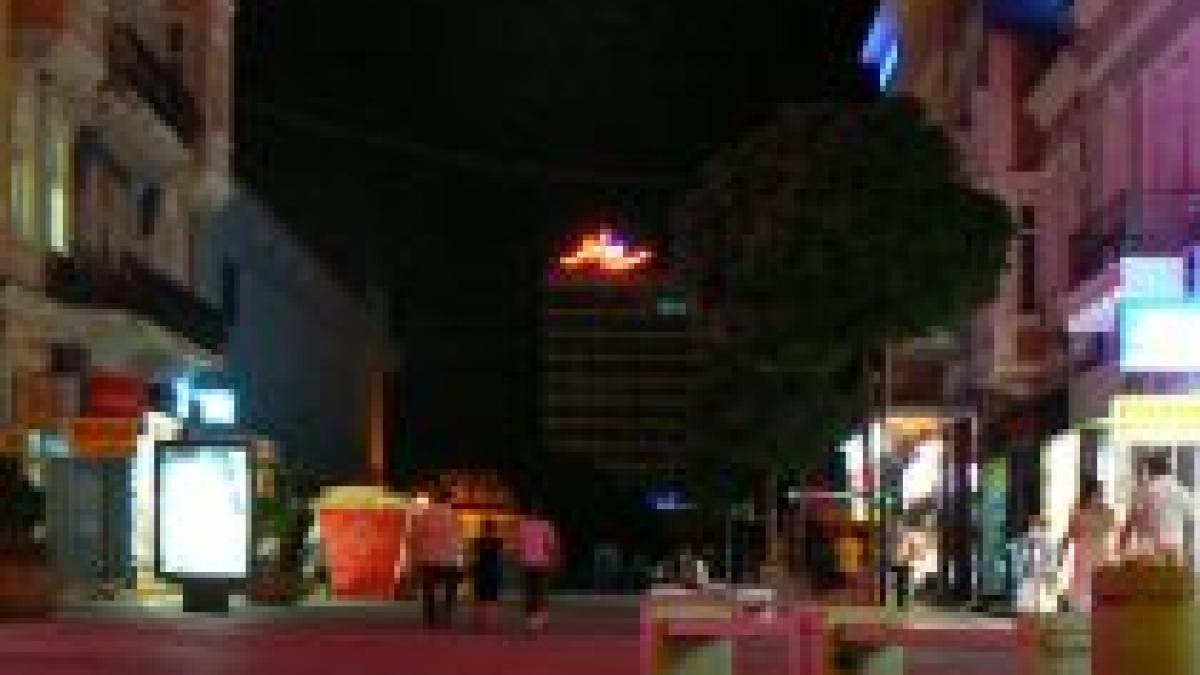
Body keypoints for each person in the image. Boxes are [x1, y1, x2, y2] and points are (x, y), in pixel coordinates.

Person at [1120, 454, 1197, 564]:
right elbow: (1191, 513)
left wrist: (1122, 542)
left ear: (1151, 470)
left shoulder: (1144, 489)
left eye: (1146, 470)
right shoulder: (1179, 490)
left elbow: (1132, 518)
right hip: (1173, 547)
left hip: (1149, 550)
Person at [411, 488, 463, 628]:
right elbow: (457, 539)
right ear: (448, 499)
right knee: (450, 590)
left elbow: (417, 534)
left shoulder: (426, 513)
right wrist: (460, 560)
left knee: (429, 590)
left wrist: (416, 555)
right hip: (449, 558)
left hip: (430, 557)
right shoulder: (453, 515)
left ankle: (430, 618)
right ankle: (447, 615)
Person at [1060, 477, 1114, 613]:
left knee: (1092, 583)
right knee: (1083, 584)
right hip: (1086, 553)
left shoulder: (1102, 511)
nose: (1100, 495)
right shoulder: (1081, 510)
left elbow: (1109, 527)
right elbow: (1070, 533)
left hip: (1095, 552)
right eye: (1098, 492)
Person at [517, 505, 559, 633]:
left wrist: (520, 559)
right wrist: (552, 560)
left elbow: (520, 545)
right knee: (539, 591)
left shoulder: (525, 526)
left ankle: (533, 621)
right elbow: (550, 545)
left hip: (530, 562)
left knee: (531, 592)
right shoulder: (546, 525)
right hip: (539, 562)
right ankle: (539, 619)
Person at [1014, 515, 1057, 613]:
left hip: (1043, 583)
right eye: (1033, 525)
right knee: (1026, 608)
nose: (1035, 529)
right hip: (1028, 582)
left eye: (1038, 526)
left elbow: (1052, 565)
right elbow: (1019, 566)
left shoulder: (1049, 545)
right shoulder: (1022, 544)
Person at [470, 519, 504, 631]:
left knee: (482, 596)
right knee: (491, 597)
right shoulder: (497, 541)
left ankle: (480, 622)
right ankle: (491, 622)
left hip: (483, 569)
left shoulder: (479, 541)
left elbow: (475, 555)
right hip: (491, 569)